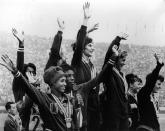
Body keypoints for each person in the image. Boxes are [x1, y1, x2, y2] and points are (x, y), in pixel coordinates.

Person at [71, 2, 101, 131]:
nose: (93, 48)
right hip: (81, 102)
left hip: (93, 103)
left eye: (93, 46)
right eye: (90, 46)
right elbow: (78, 44)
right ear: (82, 48)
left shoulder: (91, 65)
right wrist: (85, 21)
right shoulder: (77, 61)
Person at [11, 28, 43, 131]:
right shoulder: (19, 85)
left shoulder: (34, 87)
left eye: (33, 73)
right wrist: (21, 45)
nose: (32, 75)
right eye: (29, 72)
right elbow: (19, 67)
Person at [101, 33, 132, 131]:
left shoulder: (122, 75)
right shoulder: (109, 72)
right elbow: (108, 58)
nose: (124, 62)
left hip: (123, 115)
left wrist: (128, 115)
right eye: (122, 60)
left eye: (125, 60)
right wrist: (117, 39)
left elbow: (124, 97)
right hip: (112, 115)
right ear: (115, 60)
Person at [137, 54, 164, 131]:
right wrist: (158, 66)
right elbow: (151, 82)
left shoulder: (153, 96)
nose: (160, 87)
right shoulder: (143, 94)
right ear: (151, 83)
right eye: (158, 84)